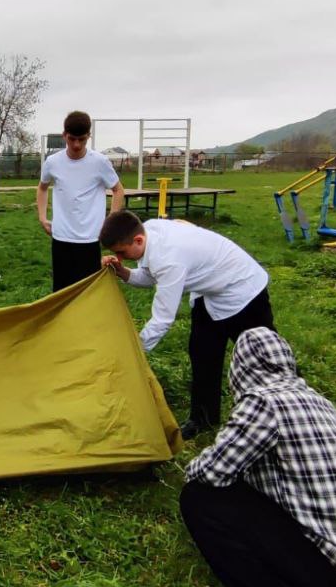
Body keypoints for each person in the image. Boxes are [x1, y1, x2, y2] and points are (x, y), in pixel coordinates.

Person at [180, 327, 336, 587]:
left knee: (200, 498)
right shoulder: (319, 401)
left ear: (240, 366)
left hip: (335, 577)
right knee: (240, 489)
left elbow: (211, 472)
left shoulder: (264, 403)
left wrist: (194, 464)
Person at [99, 210, 274, 439]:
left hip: (243, 291)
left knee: (266, 357)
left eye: (121, 253)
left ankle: (292, 408)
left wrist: (135, 350)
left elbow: (162, 318)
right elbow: (151, 275)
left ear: (138, 240)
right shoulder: (150, 230)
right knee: (202, 354)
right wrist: (123, 272)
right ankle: (203, 418)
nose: (120, 257)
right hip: (210, 292)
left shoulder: (168, 259)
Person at [36, 110, 125, 291]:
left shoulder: (100, 162)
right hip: (61, 237)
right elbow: (42, 187)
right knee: (61, 291)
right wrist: (42, 217)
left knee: (87, 292)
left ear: (88, 137)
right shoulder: (53, 162)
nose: (76, 145)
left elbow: (118, 190)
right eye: (72, 139)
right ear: (64, 136)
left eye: (82, 139)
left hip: (90, 239)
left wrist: (110, 222)